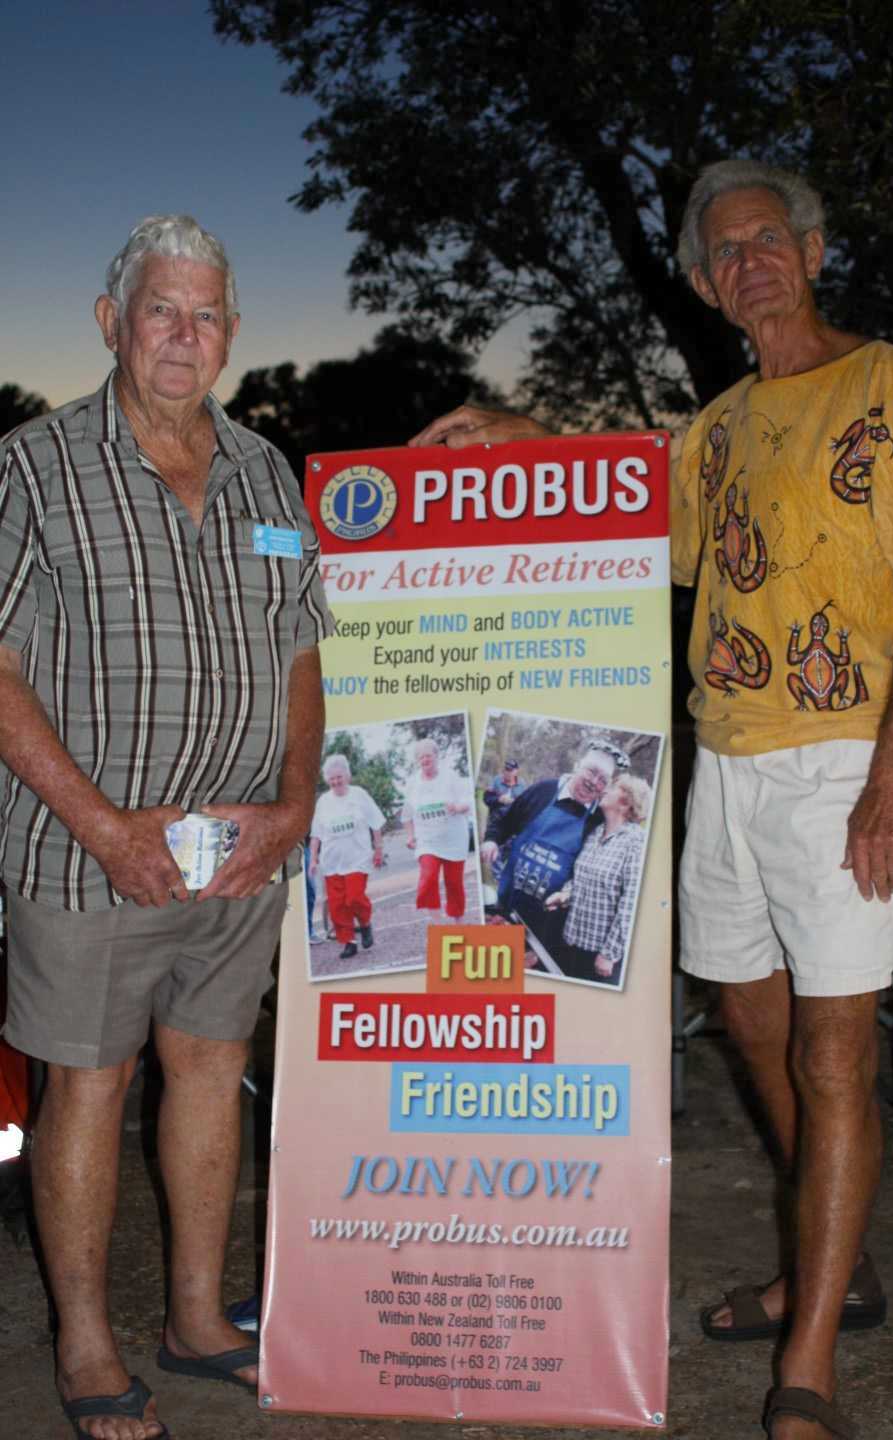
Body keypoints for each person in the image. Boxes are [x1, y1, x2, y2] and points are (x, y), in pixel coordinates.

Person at [409, 159, 893, 1440]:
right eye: (727, 251)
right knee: (755, 1032)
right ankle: (842, 1260)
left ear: (813, 253)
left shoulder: (888, 383)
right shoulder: (710, 432)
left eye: (771, 237)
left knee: (834, 1057)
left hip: (844, 759)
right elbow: (621, 523)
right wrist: (521, 442)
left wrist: (892, 779)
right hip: (725, 763)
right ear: (709, 285)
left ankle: (809, 1363)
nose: (750, 260)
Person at [0, 215, 332, 1440]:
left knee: (207, 1068)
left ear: (234, 335)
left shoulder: (266, 473)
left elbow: (302, 649)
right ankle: (85, 1344)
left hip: (240, 853)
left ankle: (196, 1322)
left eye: (206, 316)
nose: (183, 336)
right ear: (111, 322)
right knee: (87, 1086)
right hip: (87, 854)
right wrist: (102, 827)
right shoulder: (33, 466)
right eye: (160, 311)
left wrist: (295, 803)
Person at [480, 744, 619, 965]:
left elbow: (593, 872)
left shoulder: (598, 821)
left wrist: (568, 894)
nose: (594, 782)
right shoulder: (544, 790)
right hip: (505, 907)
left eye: (602, 779)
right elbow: (505, 821)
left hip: (548, 926)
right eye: (591, 771)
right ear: (577, 766)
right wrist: (491, 840)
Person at [545, 772, 651, 985]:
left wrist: (609, 954)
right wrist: (565, 894)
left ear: (626, 802)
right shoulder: (596, 833)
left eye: (612, 788)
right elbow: (580, 878)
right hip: (572, 943)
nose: (603, 789)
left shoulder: (636, 842)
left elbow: (632, 903)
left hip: (600, 958)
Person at [308, 753, 385, 958]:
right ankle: (348, 942)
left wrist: (379, 849)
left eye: (339, 777)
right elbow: (316, 834)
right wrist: (313, 858)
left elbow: (376, 823)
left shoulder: (359, 795)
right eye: (331, 778)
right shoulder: (323, 801)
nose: (335, 782)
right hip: (331, 862)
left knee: (355, 898)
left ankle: (366, 924)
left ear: (347, 776)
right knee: (337, 905)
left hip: (358, 859)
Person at [402, 738, 472, 920]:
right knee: (428, 878)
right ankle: (438, 925)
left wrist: (457, 808)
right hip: (428, 841)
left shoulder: (450, 777)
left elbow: (467, 803)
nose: (425, 760)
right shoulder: (413, 784)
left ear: (436, 756)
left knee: (454, 884)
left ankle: (458, 923)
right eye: (420, 757)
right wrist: (410, 836)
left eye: (428, 756)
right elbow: (407, 815)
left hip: (454, 840)